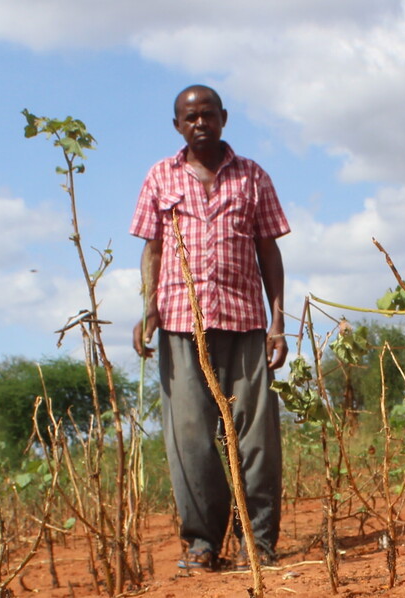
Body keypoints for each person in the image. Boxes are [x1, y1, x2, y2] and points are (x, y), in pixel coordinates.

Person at [131, 84, 288, 571]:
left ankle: (256, 540)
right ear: (177, 125)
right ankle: (202, 541)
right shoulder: (161, 175)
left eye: (207, 115)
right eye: (189, 117)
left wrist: (278, 321)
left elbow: (269, 251)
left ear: (224, 118)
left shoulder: (252, 176)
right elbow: (152, 249)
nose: (199, 123)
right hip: (181, 324)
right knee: (190, 436)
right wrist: (149, 308)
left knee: (257, 437)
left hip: (244, 322)